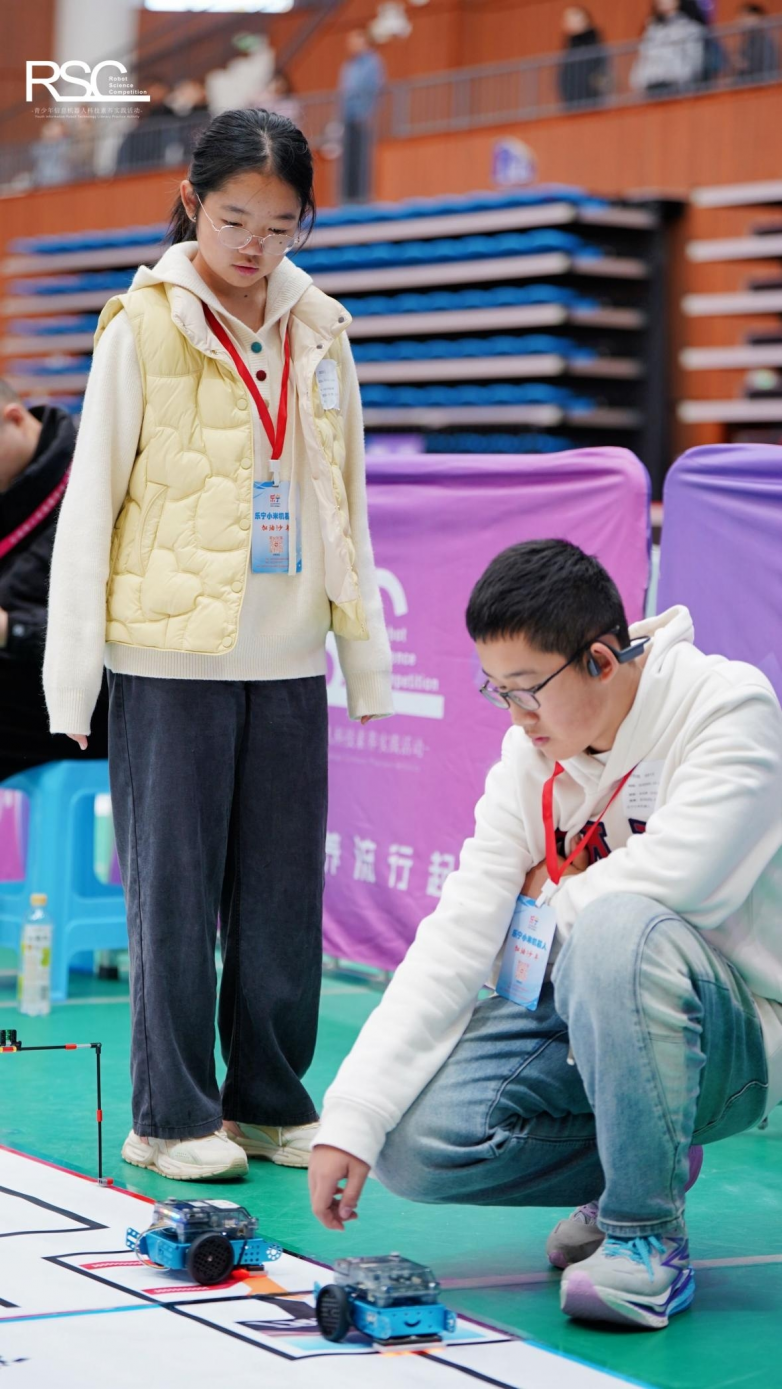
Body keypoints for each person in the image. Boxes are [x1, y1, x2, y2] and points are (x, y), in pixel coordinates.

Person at [43, 107, 393, 1182]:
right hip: (168, 657)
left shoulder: (321, 328)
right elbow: (90, 506)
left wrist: (362, 657)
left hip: (286, 658)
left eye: (280, 227)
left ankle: (269, 1102)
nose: (254, 245)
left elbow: (347, 499)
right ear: (192, 202)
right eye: (235, 219)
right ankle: (168, 1116)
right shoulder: (141, 327)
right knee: (174, 896)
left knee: (283, 898)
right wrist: (73, 680)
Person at [310, 539, 782, 1331]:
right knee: (413, 1143)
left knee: (616, 925)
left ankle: (645, 1236)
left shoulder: (727, 709)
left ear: (600, 659)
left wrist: (541, 902)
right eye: (497, 691)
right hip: (594, 1013)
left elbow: (684, 879)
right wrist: (352, 1115)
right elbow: (459, 928)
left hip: (744, 1036)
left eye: (527, 690)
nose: (515, 716)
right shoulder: (530, 755)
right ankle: (643, 1162)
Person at [0, 383, 109, 784]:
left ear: (15, 419)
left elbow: (120, 636)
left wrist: (12, 629)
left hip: (91, 707)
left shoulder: (98, 478)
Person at [338, 28, 386, 204]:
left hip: (363, 118)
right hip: (348, 117)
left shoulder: (373, 62)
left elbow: (373, 89)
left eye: (354, 40)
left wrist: (366, 113)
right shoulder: (348, 65)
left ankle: (362, 198)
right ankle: (348, 199)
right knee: (348, 160)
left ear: (364, 41)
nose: (350, 44)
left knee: (362, 159)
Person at [630, 0, 707, 94]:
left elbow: (694, 60)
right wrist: (638, 82)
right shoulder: (651, 29)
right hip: (651, 86)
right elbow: (642, 57)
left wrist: (684, 83)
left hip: (676, 87)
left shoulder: (689, 28)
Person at [558, 7, 609, 108]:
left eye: (575, 19)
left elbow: (602, 70)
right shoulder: (568, 47)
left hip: (591, 98)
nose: (570, 23)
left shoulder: (594, 44)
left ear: (585, 21)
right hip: (571, 99)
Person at [736, 4, 779, 81]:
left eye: (746, 16)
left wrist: (743, 64)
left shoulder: (763, 42)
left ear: (758, 18)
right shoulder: (747, 42)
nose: (741, 20)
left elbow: (763, 67)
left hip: (760, 84)